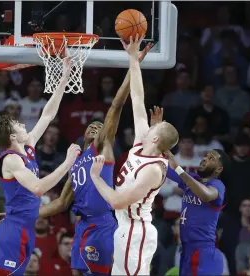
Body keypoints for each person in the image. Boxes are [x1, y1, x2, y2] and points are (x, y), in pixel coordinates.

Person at [38, 41, 153, 276]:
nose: (96, 127)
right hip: (81, 224)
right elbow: (61, 203)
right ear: (83, 134)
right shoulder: (77, 161)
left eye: (100, 126)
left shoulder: (102, 148)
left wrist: (133, 68)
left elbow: (116, 106)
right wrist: (26, 212)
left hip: (101, 223)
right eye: (91, 125)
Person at [89, 35, 179, 275]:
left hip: (135, 230)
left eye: (155, 127)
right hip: (124, 226)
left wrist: (96, 177)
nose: (150, 124)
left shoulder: (153, 170)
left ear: (156, 139)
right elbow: (137, 100)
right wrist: (133, 58)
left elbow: (118, 201)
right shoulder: (142, 141)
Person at [0, 57, 81, 275]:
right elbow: (38, 188)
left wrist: (64, 77)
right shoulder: (11, 159)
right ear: (13, 136)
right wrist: (68, 163)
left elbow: (48, 114)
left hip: (24, 227)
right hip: (14, 230)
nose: (23, 124)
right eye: (18, 124)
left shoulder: (28, 144)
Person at [165, 148, 230, 276]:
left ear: (219, 169)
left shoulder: (218, 186)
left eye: (211, 158)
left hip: (204, 253)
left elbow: (206, 195)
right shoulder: (192, 180)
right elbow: (164, 170)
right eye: (206, 156)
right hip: (186, 250)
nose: (205, 159)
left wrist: (178, 168)